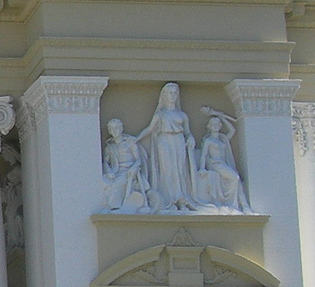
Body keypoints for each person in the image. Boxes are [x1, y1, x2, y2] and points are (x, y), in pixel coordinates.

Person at [135, 83, 199, 212]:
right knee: (167, 170)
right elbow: (149, 129)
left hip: (179, 141)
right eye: (170, 93)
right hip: (164, 141)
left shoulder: (182, 115)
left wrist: (190, 137)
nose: (173, 95)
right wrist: (135, 140)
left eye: (175, 93)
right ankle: (169, 201)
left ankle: (182, 199)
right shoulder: (160, 114)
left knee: (180, 170)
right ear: (164, 95)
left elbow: (187, 132)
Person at [196, 111, 250, 212]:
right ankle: (234, 204)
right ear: (209, 126)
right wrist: (202, 168)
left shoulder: (223, 140)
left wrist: (222, 117)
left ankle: (242, 205)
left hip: (223, 165)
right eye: (213, 124)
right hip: (215, 164)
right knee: (235, 177)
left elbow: (232, 130)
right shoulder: (208, 141)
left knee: (236, 179)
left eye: (217, 124)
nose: (215, 126)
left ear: (220, 125)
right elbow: (203, 155)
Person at [102, 118, 151, 212]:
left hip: (128, 171)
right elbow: (106, 162)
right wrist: (108, 172)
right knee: (105, 182)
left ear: (121, 129)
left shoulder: (130, 143)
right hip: (115, 171)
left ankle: (116, 207)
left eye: (116, 128)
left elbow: (138, 160)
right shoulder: (110, 147)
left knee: (117, 185)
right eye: (111, 129)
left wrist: (133, 168)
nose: (114, 131)